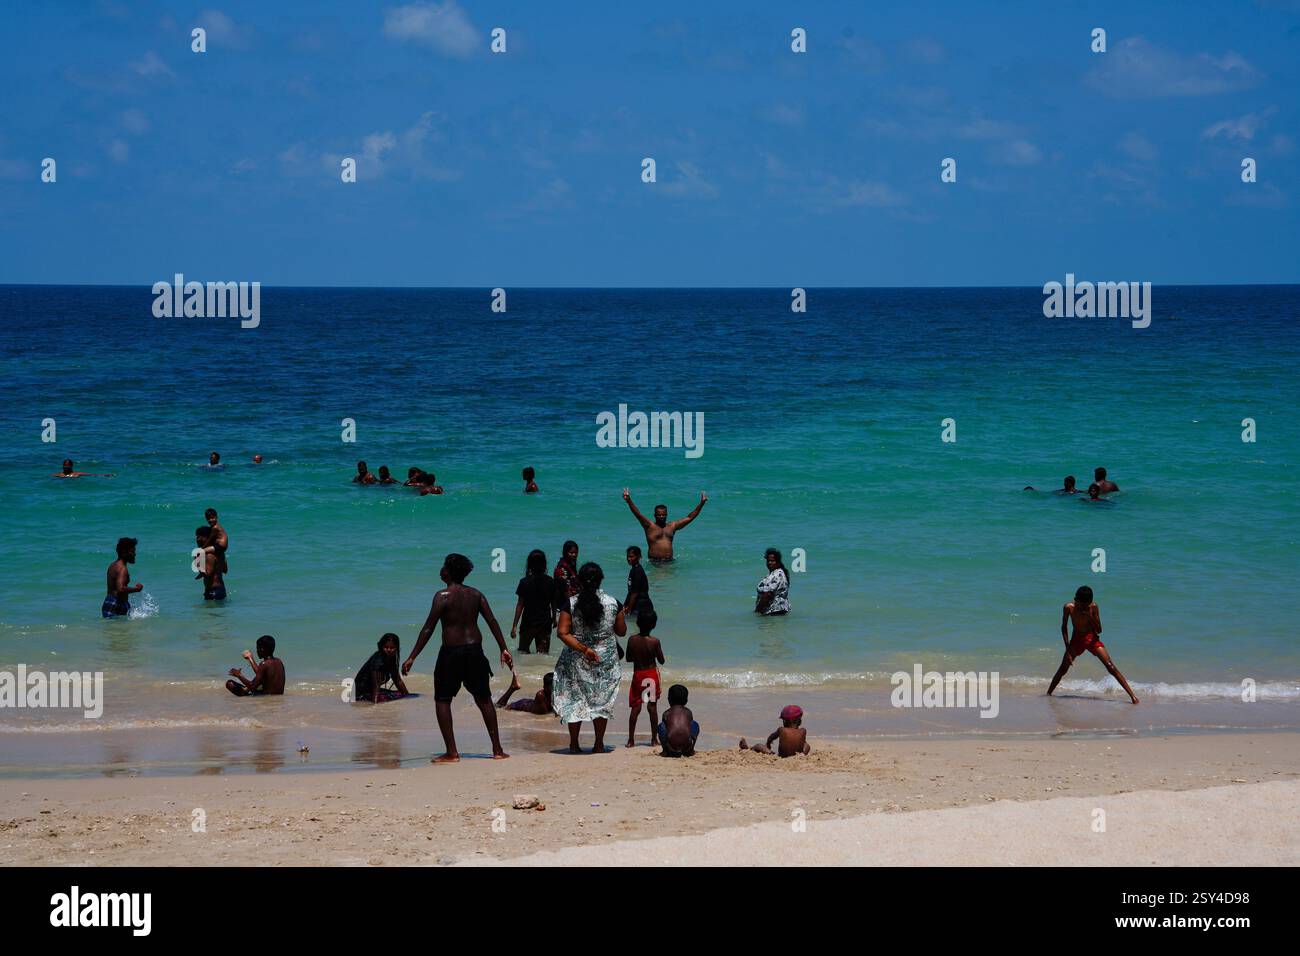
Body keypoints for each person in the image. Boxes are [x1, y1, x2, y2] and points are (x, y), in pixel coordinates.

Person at [401, 553, 513, 761]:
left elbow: (428, 628)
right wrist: (503, 648)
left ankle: (452, 752)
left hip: (451, 653)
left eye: (443, 566)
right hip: (475, 652)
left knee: (443, 700)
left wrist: (412, 657)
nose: (441, 570)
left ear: (448, 571)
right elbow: (492, 621)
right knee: (484, 700)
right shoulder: (476, 594)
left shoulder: (442, 596)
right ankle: (497, 750)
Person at [553, 562, 626, 754]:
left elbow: (562, 633)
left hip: (576, 658)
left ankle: (574, 744)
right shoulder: (614, 602)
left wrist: (584, 649)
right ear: (601, 579)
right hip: (605, 660)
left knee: (574, 699)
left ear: (579, 580)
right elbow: (621, 631)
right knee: (601, 701)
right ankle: (599, 744)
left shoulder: (570, 603)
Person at [1047, 585, 1140, 704]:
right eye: (1082, 604)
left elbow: (1099, 630)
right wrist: (1068, 649)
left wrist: (1089, 616)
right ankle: (1048, 694)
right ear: (1076, 600)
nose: (1084, 607)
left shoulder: (1093, 607)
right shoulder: (1068, 607)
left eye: (1087, 604)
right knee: (1063, 669)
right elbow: (1064, 627)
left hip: (1092, 639)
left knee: (1110, 666)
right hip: (1076, 640)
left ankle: (1133, 697)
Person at [622, 488, 706, 561]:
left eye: (663, 514)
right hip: (654, 562)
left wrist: (701, 504)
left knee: (671, 580)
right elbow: (638, 514)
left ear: (666, 515)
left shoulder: (672, 526)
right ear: (655, 515)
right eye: (659, 515)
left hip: (670, 561)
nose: (661, 516)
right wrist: (629, 501)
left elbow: (689, 517)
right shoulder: (649, 526)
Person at [626, 610, 664, 748]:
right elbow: (662, 660)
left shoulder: (632, 640)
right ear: (653, 625)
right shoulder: (655, 641)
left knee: (636, 707)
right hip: (651, 676)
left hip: (638, 675)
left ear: (637, 623)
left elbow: (629, 658)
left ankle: (631, 740)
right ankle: (654, 739)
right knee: (652, 707)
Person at [511, 549, 556, 653]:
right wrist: (554, 619)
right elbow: (553, 602)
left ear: (529, 565)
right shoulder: (550, 581)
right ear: (544, 564)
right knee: (543, 654)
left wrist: (514, 626)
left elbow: (520, 605)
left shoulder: (524, 582)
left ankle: (525, 669)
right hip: (545, 623)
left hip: (528, 623)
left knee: (523, 651)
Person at [353, 633, 409, 703]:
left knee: (403, 695)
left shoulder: (392, 659)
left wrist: (408, 697)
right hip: (362, 694)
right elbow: (376, 687)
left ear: (396, 648)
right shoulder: (377, 661)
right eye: (386, 647)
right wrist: (375, 708)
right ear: (381, 647)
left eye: (392, 648)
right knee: (396, 697)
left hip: (372, 690)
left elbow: (398, 681)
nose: (389, 650)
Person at [740, 704, 810, 756]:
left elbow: (772, 737)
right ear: (799, 721)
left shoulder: (781, 730)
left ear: (785, 722)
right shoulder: (803, 731)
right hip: (796, 755)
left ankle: (748, 748)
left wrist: (768, 743)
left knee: (758, 745)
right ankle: (802, 754)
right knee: (806, 745)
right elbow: (802, 742)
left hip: (782, 756)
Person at [103, 537, 143, 617]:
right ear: (124, 552)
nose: (135, 554)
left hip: (110, 602)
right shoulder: (122, 569)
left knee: (112, 629)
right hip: (116, 605)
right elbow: (120, 588)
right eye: (132, 551)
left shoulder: (113, 565)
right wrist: (136, 589)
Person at [657, 684, 699, 757]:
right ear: (686, 700)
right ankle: (691, 750)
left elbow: (666, 730)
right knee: (694, 724)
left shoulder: (666, 713)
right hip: (687, 746)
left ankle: (665, 751)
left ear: (669, 699)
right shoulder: (688, 712)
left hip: (671, 747)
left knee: (661, 726)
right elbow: (688, 727)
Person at [754, 548, 791, 615]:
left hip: (773, 612)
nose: (769, 563)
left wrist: (757, 610)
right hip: (780, 611)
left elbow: (767, 595)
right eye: (768, 561)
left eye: (772, 561)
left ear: (778, 562)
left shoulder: (776, 575)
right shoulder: (780, 573)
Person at [194, 526, 226, 601]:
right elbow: (225, 569)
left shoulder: (208, 555)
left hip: (213, 591)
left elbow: (207, 574)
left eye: (199, 536)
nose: (198, 539)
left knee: (208, 612)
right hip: (220, 589)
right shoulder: (220, 553)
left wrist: (197, 561)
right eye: (197, 537)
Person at [623, 545, 652, 626]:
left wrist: (629, 608)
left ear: (638, 557)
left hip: (641, 607)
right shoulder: (634, 569)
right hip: (637, 605)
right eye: (628, 556)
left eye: (631, 556)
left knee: (637, 631)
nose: (629, 559)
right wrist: (625, 604)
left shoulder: (637, 571)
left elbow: (635, 593)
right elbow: (630, 591)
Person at [553, 540, 580, 615]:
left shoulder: (570, 564)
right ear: (565, 553)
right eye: (571, 553)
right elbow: (566, 591)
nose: (574, 555)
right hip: (564, 607)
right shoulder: (562, 569)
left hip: (570, 603)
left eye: (576, 553)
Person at [204, 508, 229, 575]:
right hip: (222, 547)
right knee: (220, 553)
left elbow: (210, 540)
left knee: (201, 552)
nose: (210, 520)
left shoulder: (215, 528)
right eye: (208, 519)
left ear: (216, 517)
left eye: (212, 518)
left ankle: (202, 570)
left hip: (219, 546)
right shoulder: (218, 526)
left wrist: (202, 548)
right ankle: (224, 564)